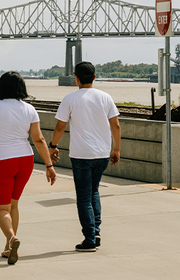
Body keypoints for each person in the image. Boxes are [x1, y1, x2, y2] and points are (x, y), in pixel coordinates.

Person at [0, 71, 57, 265]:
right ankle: (9, 248)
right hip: (25, 159)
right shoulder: (29, 109)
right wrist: (49, 165)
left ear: (0, 87)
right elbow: (39, 139)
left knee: (1, 208)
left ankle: (12, 239)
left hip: (2, 160)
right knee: (14, 205)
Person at [49, 61, 121, 252]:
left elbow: (60, 127)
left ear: (76, 79)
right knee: (94, 192)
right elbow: (116, 126)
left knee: (83, 197)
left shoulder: (70, 98)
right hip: (102, 154)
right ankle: (95, 231)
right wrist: (116, 149)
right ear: (95, 77)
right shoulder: (106, 97)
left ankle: (89, 239)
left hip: (81, 156)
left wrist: (53, 146)